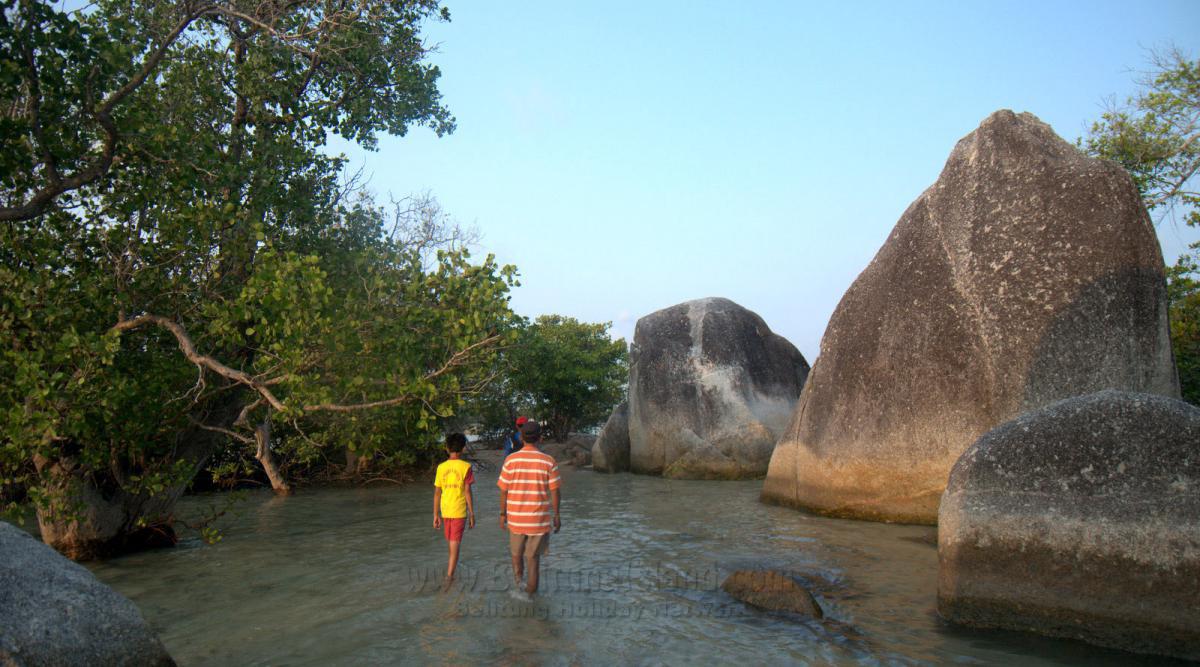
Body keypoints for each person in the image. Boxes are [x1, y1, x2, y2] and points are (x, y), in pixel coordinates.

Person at [497, 420, 561, 600]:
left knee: (516, 556)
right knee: (533, 561)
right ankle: (531, 600)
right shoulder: (549, 461)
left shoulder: (510, 460)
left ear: (522, 437)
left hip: (516, 518)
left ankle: (519, 587)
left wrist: (502, 514)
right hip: (538, 520)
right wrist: (556, 515)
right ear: (540, 438)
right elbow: (555, 492)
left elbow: (504, 490)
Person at [433, 433, 475, 586]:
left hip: (445, 510)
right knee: (455, 542)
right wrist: (472, 513)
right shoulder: (466, 467)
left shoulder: (441, 467)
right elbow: (467, 491)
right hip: (458, 511)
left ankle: (452, 571)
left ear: (446, 448)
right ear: (463, 449)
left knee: (451, 542)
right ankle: (449, 577)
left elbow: (437, 492)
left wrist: (435, 515)